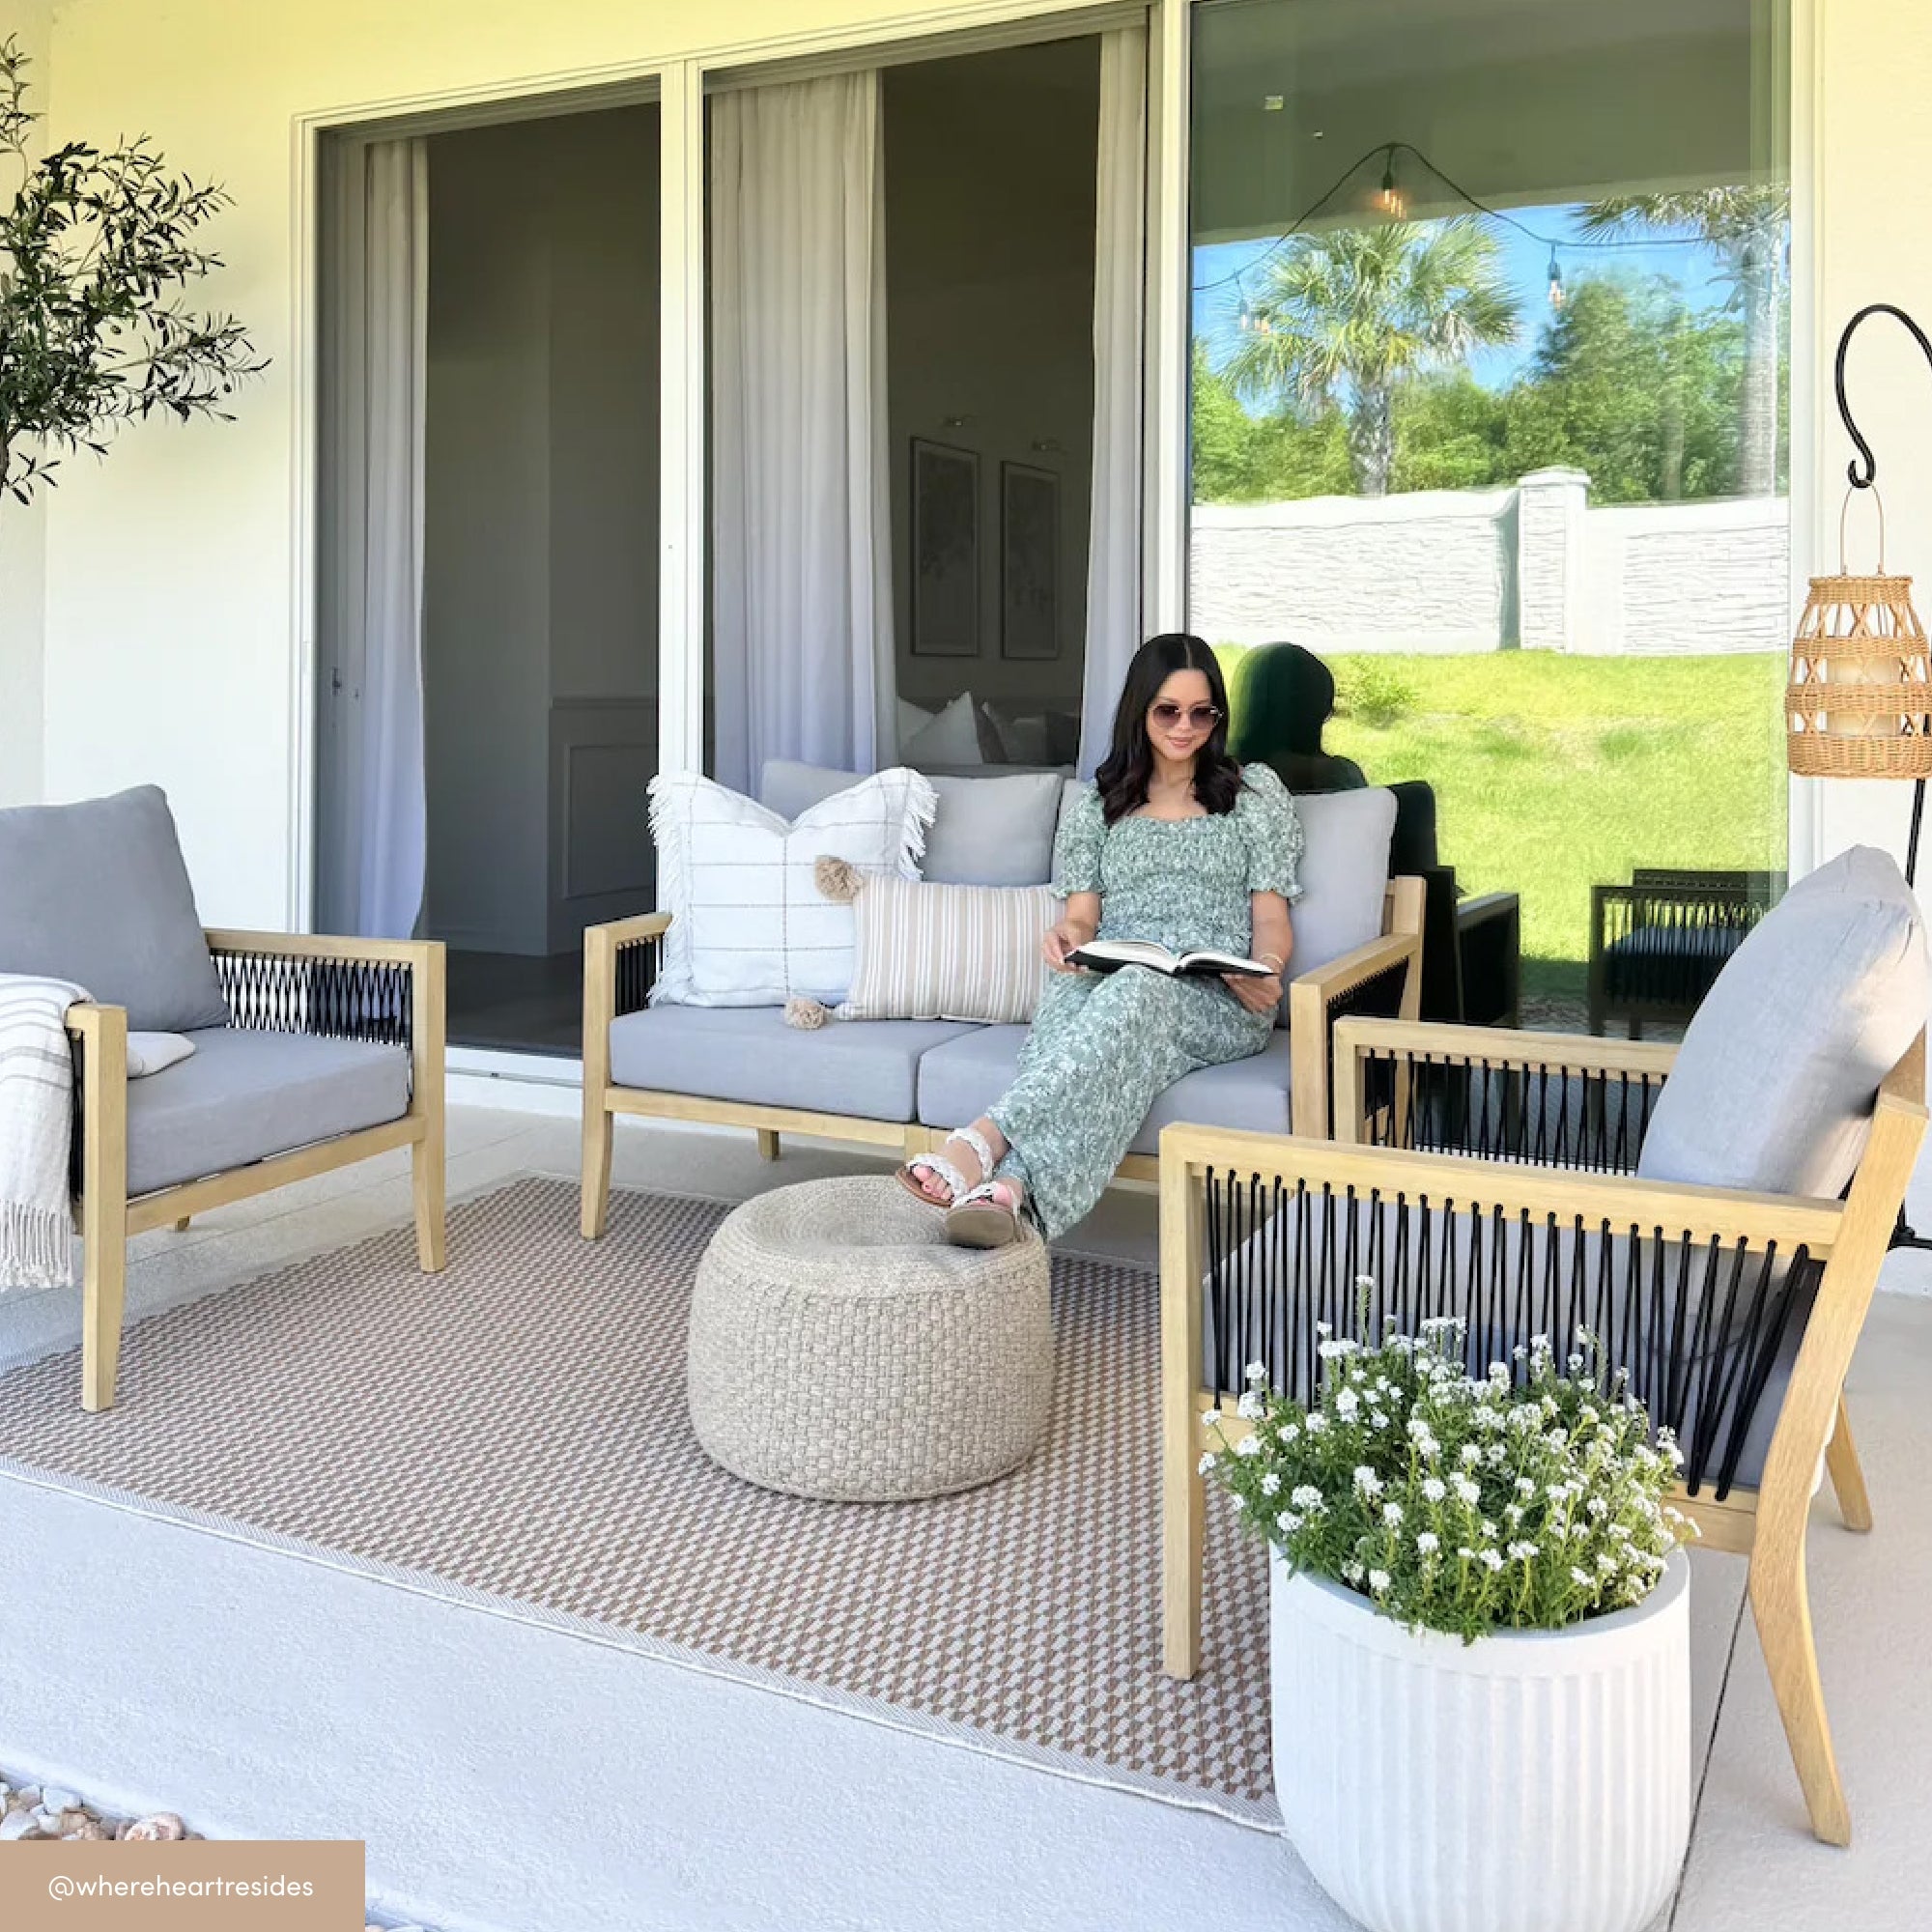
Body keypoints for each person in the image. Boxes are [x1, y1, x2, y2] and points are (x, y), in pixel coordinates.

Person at [897, 633, 1304, 1247]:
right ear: (1140, 710)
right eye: (1169, 710)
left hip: (1217, 998)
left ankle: (981, 1140)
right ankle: (1010, 1195)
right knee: (1088, 1004)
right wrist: (1066, 934)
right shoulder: (1100, 804)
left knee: (1140, 991)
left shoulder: (1250, 796)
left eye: (1202, 712)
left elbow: (1271, 919)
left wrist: (1266, 968)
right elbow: (1083, 918)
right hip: (1106, 978)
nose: (1185, 727)